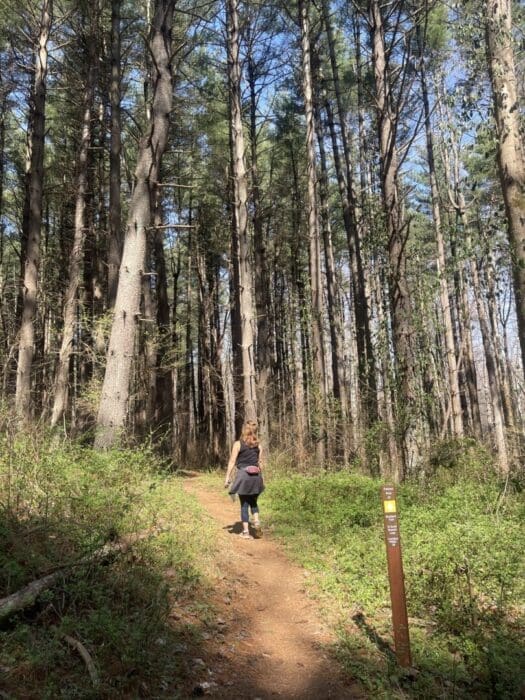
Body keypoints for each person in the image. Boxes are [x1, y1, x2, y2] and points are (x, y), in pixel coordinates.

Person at [224, 420, 264, 539]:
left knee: (244, 504)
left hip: (244, 475)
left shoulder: (238, 444)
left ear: (244, 430)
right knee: (253, 501)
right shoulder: (259, 445)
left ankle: (246, 532)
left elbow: (232, 461)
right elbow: (260, 464)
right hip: (256, 477)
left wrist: (227, 477)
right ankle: (256, 521)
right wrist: (262, 479)